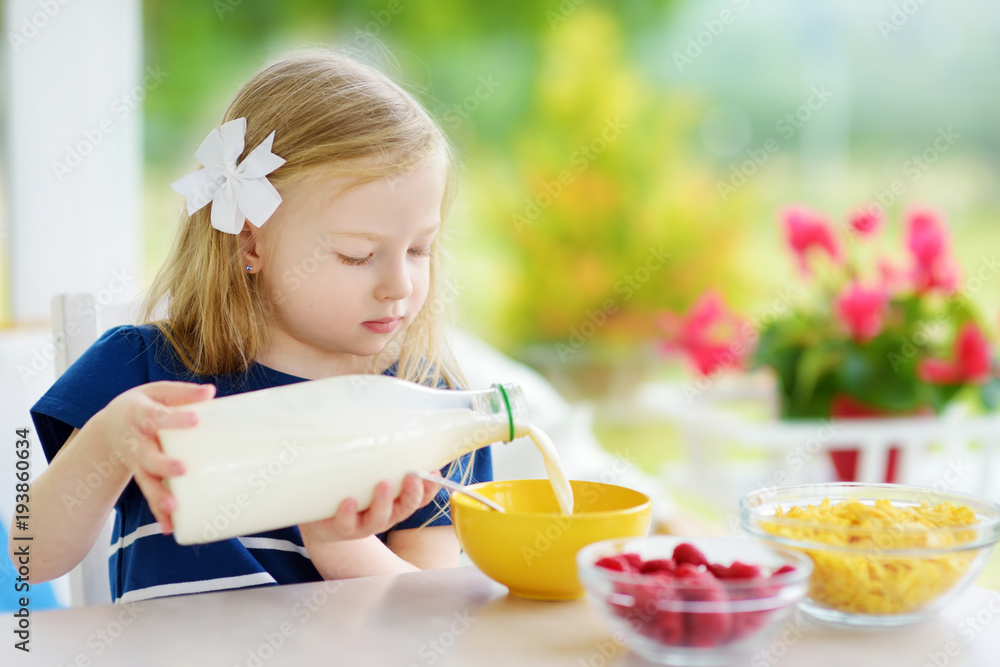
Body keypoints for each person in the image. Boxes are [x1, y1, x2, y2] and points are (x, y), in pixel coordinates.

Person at [19, 48, 491, 603]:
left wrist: (340, 546)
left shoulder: (433, 408)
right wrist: (108, 441)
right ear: (251, 241)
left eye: (419, 249)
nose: (400, 285)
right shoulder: (144, 370)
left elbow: (433, 612)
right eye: (358, 255)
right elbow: (32, 556)